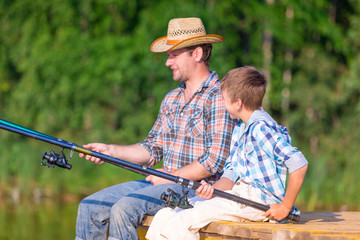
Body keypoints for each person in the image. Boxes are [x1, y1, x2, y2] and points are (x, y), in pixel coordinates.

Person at [75, 17, 236, 240]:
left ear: (197, 54)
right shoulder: (171, 98)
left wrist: (171, 177)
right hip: (163, 183)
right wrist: (111, 151)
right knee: (89, 206)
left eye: (173, 55)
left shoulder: (218, 97)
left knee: (124, 209)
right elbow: (152, 149)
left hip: (196, 190)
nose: (168, 62)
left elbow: (214, 160)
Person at [145, 66, 309, 240]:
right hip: (238, 195)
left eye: (223, 98)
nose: (221, 102)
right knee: (167, 214)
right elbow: (230, 175)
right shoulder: (239, 130)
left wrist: (285, 207)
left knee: (181, 220)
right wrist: (211, 191)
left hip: (258, 202)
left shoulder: (261, 129)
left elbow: (299, 163)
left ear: (238, 103)